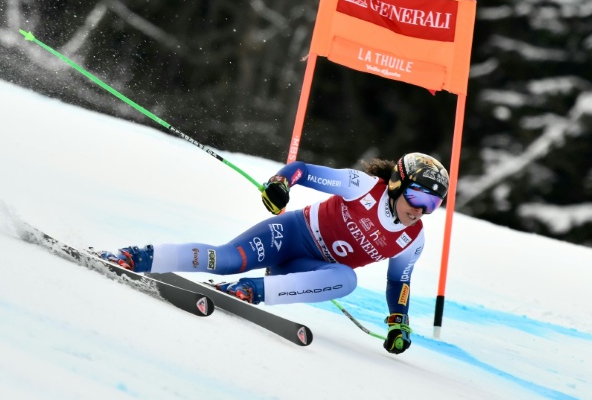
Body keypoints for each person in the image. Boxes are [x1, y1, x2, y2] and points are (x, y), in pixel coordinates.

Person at [100, 152, 449, 355]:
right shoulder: (361, 187)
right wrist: (281, 184)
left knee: (346, 279)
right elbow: (304, 170)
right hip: (288, 235)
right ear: (396, 185)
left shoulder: (412, 239)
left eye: (433, 204)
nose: (421, 210)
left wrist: (398, 322)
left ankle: (250, 291)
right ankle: (136, 257)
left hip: (303, 269)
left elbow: (398, 283)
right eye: (418, 197)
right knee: (226, 260)